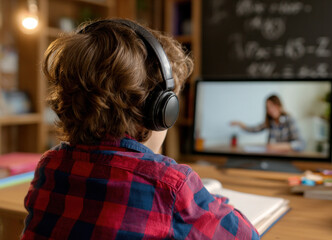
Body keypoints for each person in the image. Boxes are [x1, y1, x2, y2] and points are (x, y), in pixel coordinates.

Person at [22, 19, 259, 240]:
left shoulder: (50, 164)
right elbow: (246, 235)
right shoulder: (169, 183)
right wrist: (207, 200)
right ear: (160, 111)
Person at [231, 94, 304, 152]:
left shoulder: (289, 120)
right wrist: (240, 124)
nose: (270, 110)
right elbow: (254, 129)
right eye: (267, 108)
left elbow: (300, 144)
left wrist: (278, 146)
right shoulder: (270, 122)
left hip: (288, 157)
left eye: (272, 106)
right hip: (274, 155)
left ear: (278, 106)